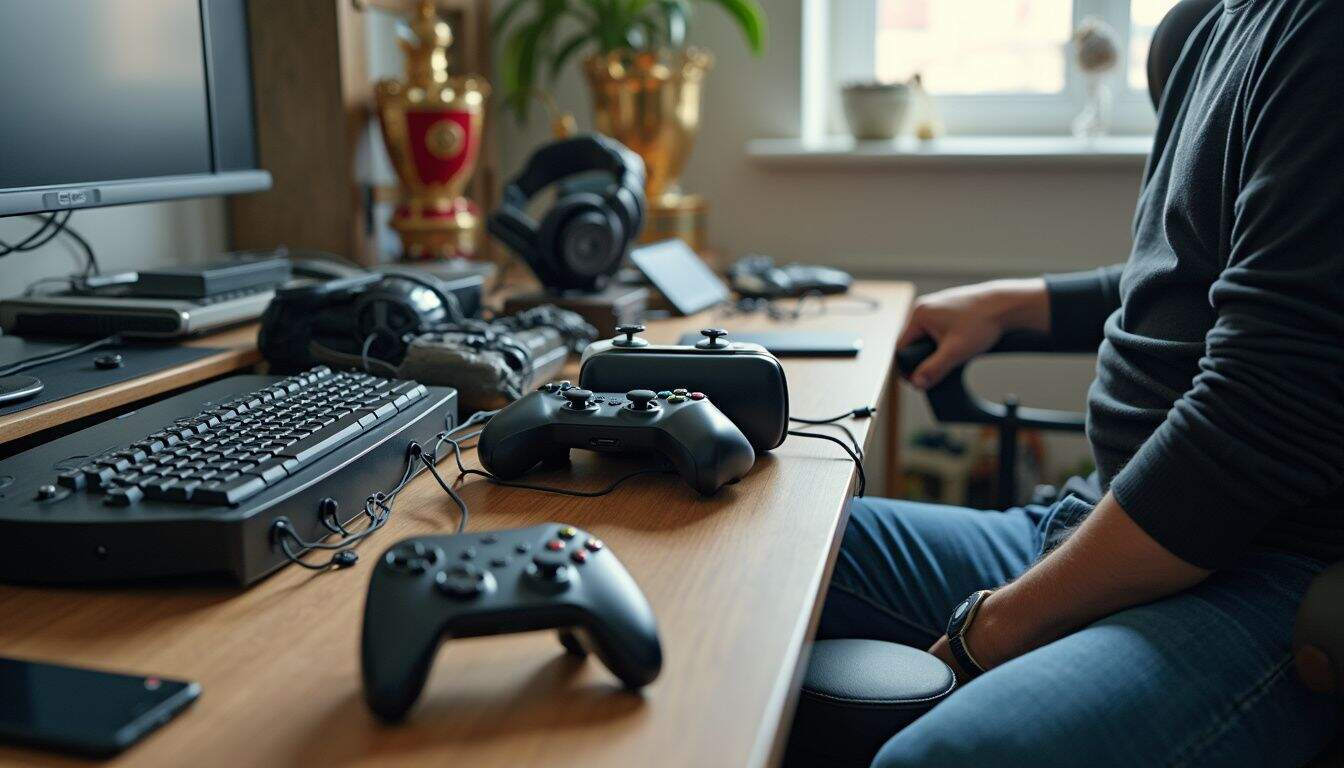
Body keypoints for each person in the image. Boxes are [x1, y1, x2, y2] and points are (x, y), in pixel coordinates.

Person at [818, 0, 1344, 764]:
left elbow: (1260, 417)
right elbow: (1198, 284)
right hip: (1102, 517)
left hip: (1258, 574)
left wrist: (987, 633)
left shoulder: (1320, 33)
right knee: (757, 554)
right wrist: (1023, 305)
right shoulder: (1207, 24)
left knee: (939, 759)